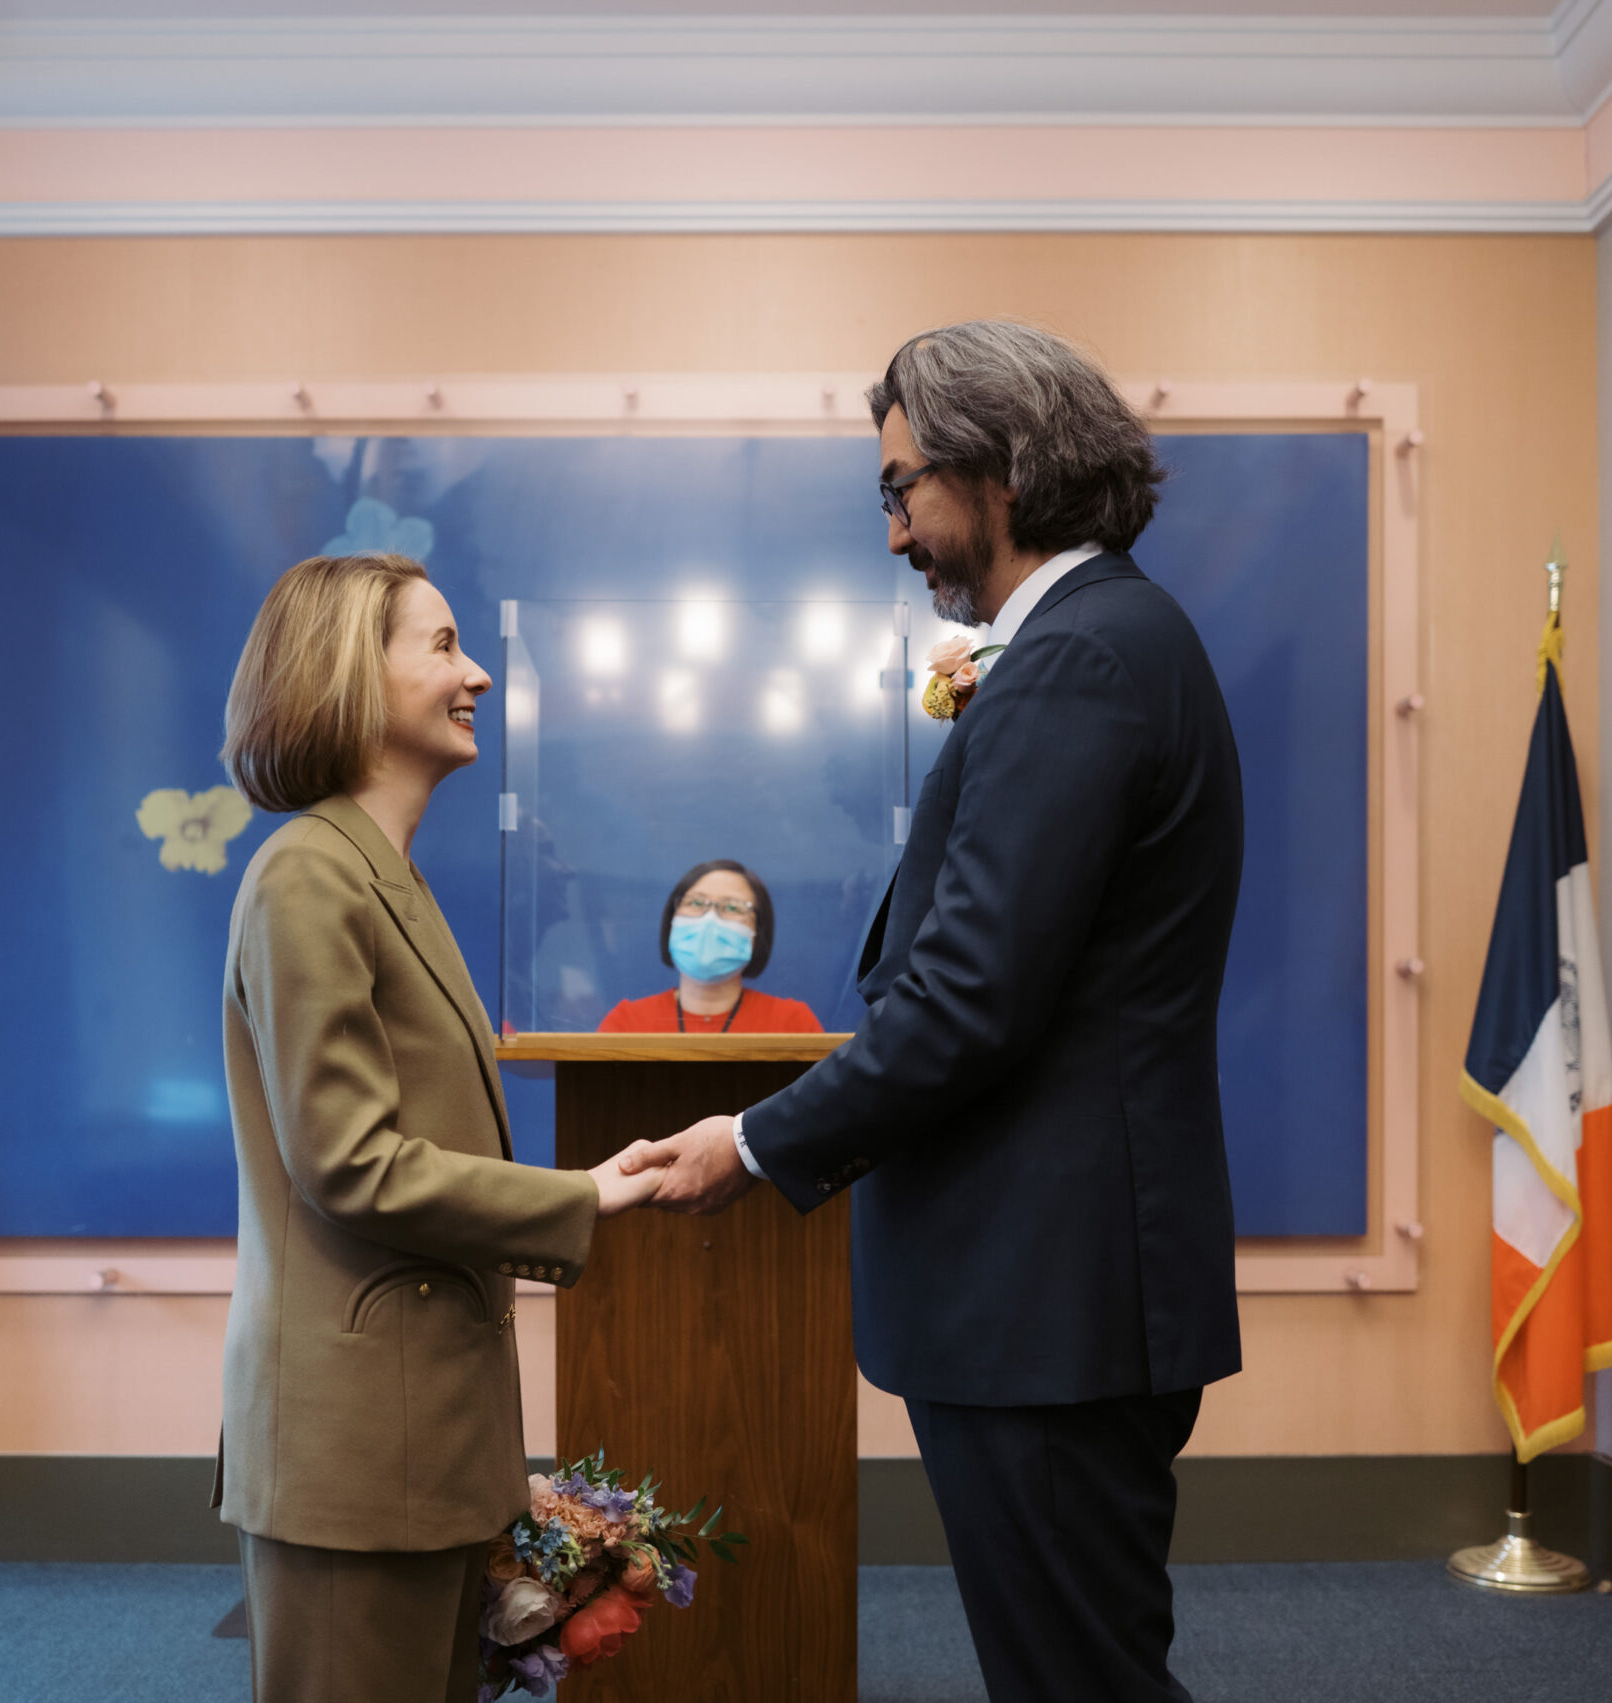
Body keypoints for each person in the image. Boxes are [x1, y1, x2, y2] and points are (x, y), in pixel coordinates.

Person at [625, 321, 1245, 1703]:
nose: (895, 530)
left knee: (1076, 1680)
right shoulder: (1109, 640)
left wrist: (757, 1139)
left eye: (902, 488)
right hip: (1060, 1296)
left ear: (1004, 469)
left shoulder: (1081, 658)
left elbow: (967, 997)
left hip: (1046, 1303)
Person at [213, 552, 657, 1703]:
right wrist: (582, 1193)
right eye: (444, 645)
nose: (478, 677)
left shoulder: (384, 877)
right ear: (351, 676)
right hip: (354, 1448)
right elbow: (346, 1165)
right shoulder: (307, 874)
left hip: (419, 1436)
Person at [596, 859, 826, 1034]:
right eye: (696, 903)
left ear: (758, 932)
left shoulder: (793, 1023)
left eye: (733, 907)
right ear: (672, 920)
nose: (710, 919)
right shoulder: (626, 1023)